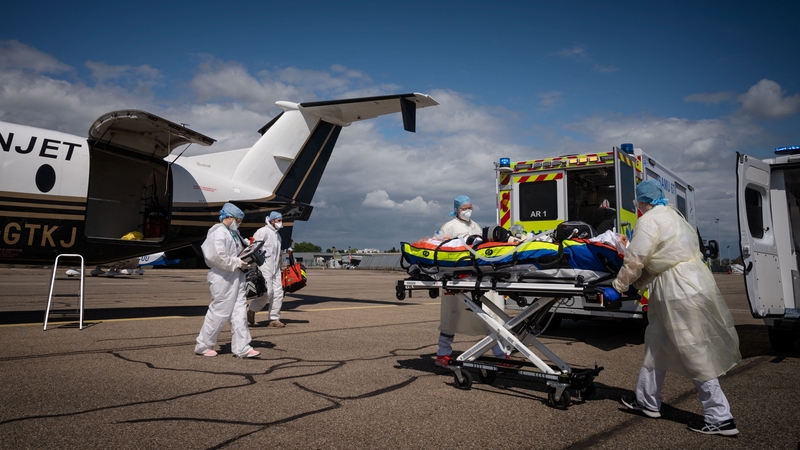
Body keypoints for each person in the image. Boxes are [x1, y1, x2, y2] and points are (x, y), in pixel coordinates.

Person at [599, 180, 741, 436]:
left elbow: (637, 257)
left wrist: (619, 286)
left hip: (677, 290)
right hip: (689, 281)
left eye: (639, 203)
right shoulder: (674, 216)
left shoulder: (650, 220)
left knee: (693, 347)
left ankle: (720, 417)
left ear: (643, 202)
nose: (639, 207)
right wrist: (638, 285)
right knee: (657, 342)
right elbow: (662, 258)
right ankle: (647, 401)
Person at [434, 195, 511, 368]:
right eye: (464, 208)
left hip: (478, 277)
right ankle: (442, 354)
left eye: (470, 207)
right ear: (457, 209)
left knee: (490, 317)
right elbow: (438, 246)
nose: (468, 211)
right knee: (450, 318)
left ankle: (500, 354)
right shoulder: (449, 227)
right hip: (456, 278)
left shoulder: (475, 226)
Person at [194, 203, 260, 358]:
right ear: (229, 217)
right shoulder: (218, 233)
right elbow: (215, 256)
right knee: (219, 312)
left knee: (239, 312)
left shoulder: (233, 233)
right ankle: (203, 345)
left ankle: (242, 347)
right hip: (222, 278)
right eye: (238, 220)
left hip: (236, 276)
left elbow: (236, 251)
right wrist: (238, 262)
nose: (239, 223)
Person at [247, 211, 286, 328]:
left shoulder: (277, 235)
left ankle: (274, 319)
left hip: (275, 267)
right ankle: (252, 310)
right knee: (267, 292)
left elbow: (278, 253)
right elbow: (253, 247)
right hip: (264, 266)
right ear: (272, 221)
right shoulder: (262, 231)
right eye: (279, 220)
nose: (280, 222)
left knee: (278, 293)